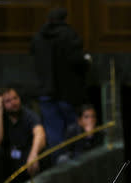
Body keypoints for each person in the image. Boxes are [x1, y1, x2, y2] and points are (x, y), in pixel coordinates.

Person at [30, 7, 90, 161]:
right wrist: (86, 61)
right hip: (67, 93)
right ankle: (73, 163)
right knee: (72, 130)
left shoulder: (38, 38)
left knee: (53, 132)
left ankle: (57, 165)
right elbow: (77, 61)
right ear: (64, 19)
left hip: (45, 92)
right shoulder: (69, 35)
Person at [0, 88, 46, 183]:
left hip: (25, 160)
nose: (14, 102)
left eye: (15, 98)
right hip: (7, 162)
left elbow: (40, 133)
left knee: (43, 152)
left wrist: (34, 154)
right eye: (8, 101)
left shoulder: (28, 114)